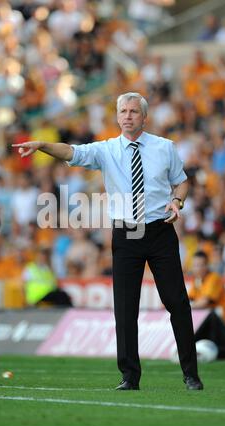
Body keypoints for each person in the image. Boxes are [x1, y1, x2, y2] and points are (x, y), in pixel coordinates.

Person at [12, 92, 203, 391]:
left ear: (144, 117)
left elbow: (182, 180)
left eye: (134, 112)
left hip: (160, 230)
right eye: (123, 111)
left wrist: (177, 200)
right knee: (125, 308)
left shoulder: (165, 147)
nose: (128, 116)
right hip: (126, 234)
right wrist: (43, 146)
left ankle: (191, 373)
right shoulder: (106, 150)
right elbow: (71, 152)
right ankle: (129, 376)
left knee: (177, 301)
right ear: (117, 116)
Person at [188, 250, 225, 328]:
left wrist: (185, 307)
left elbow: (204, 303)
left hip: (222, 316)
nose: (196, 268)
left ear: (206, 265)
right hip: (209, 314)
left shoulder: (214, 279)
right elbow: (190, 298)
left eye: (199, 265)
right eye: (194, 265)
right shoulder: (197, 280)